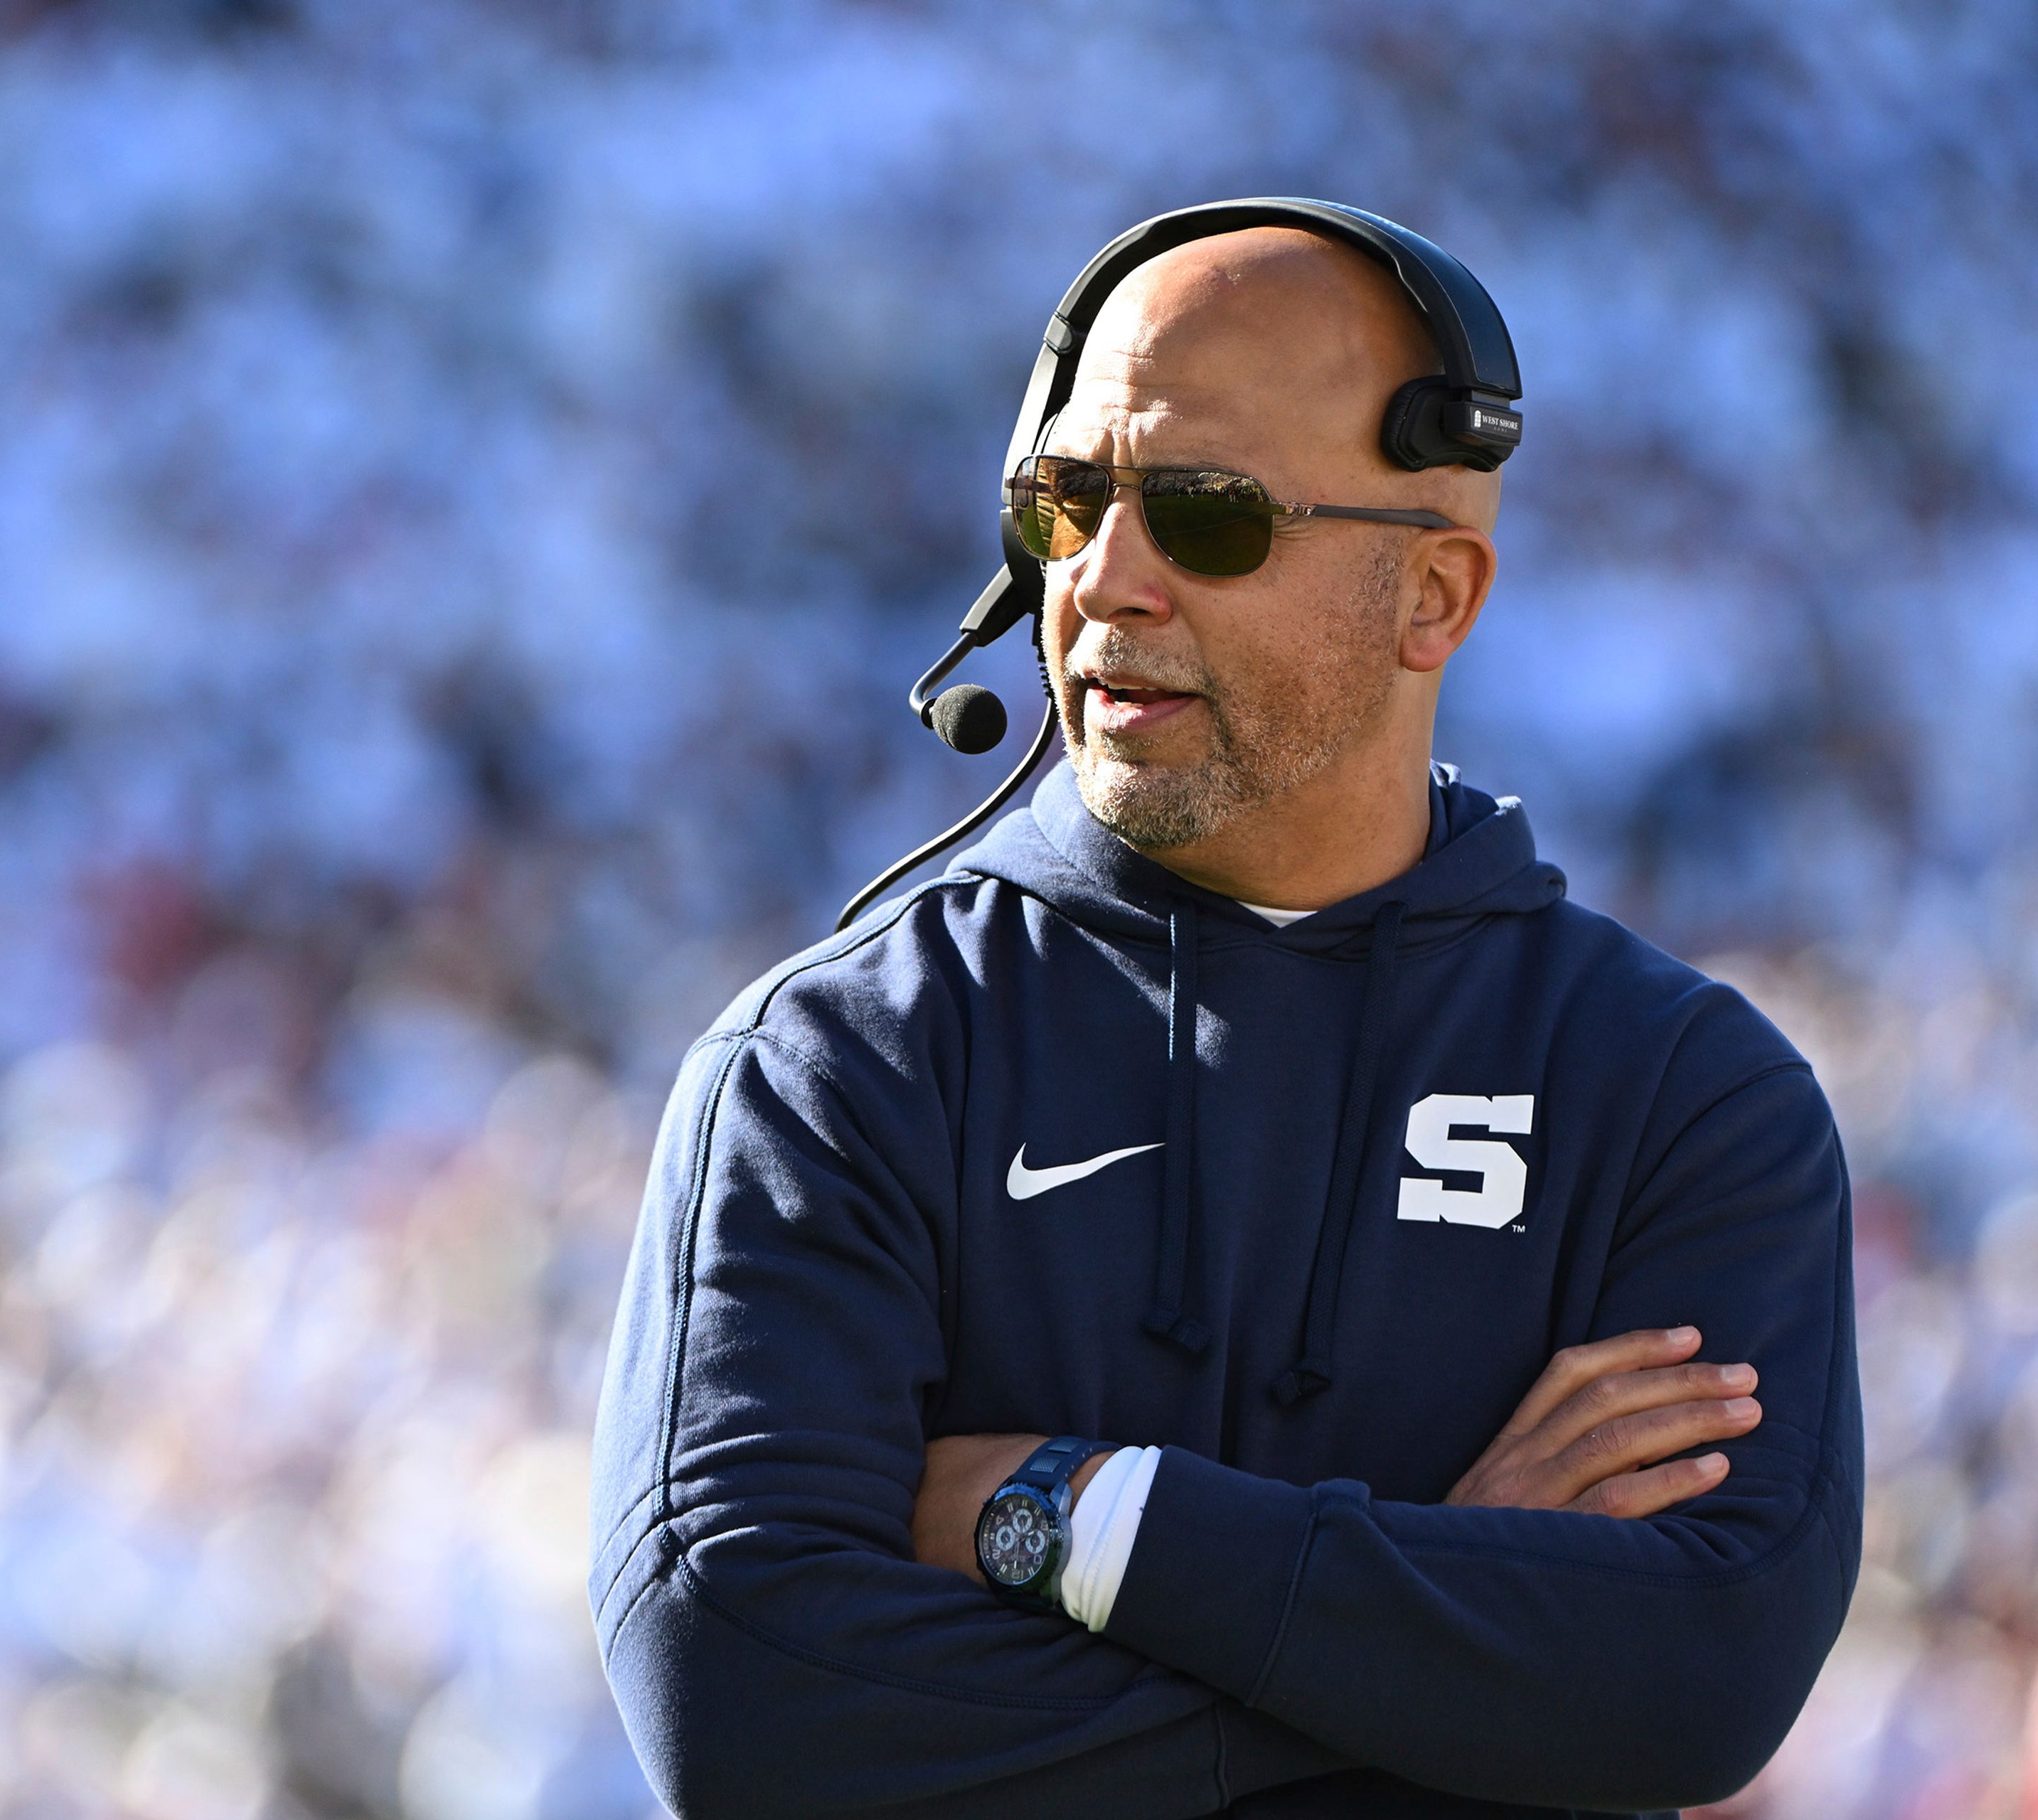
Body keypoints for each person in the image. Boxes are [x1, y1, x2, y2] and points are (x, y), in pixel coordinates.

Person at [589, 218, 1862, 1819]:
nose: (1106, 579)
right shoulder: (839, 1064)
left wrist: (1083, 1516)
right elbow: (749, 1708)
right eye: (1066, 501)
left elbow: (1696, 1677)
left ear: (1435, 594)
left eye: (1205, 514)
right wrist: (1441, 1635)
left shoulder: (1681, 1092)